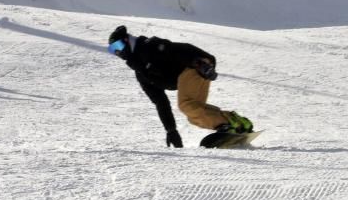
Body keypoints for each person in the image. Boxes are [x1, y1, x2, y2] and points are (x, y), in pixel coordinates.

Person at [107, 25, 253, 148]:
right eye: (113, 50)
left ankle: (226, 125)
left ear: (127, 40)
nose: (118, 52)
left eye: (118, 46)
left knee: (186, 105)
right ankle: (237, 123)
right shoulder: (141, 73)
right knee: (194, 115)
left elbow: (176, 50)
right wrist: (171, 130)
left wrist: (198, 62)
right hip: (194, 69)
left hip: (195, 63)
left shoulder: (148, 46)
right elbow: (160, 102)